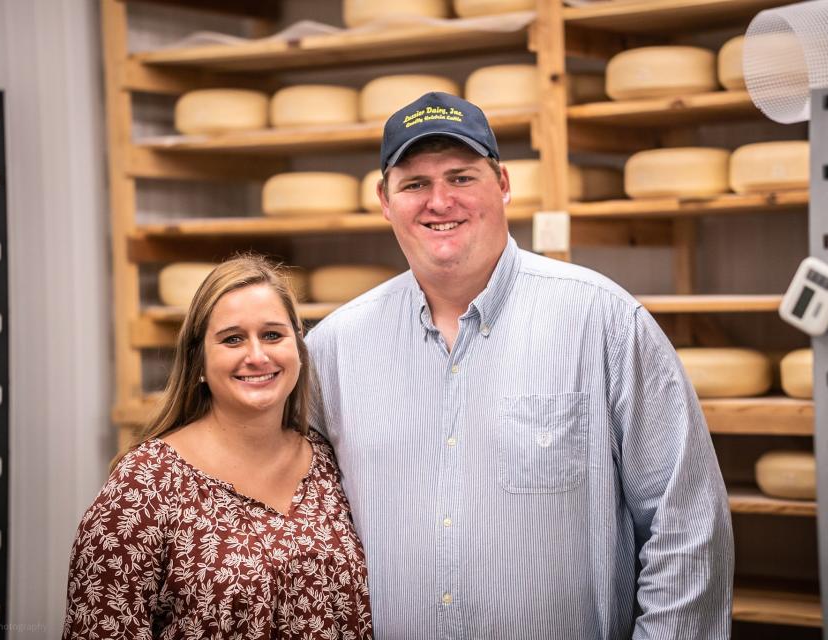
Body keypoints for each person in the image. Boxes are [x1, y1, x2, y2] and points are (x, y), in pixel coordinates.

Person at [306, 92, 734, 639]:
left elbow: (687, 526)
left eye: (461, 177)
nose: (439, 201)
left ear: (503, 184)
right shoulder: (335, 347)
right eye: (414, 184)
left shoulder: (603, 322)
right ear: (385, 201)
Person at [63, 256, 372, 639]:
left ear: (298, 348)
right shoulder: (143, 486)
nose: (257, 356)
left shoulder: (328, 462)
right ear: (200, 363)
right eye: (232, 339)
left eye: (273, 335)